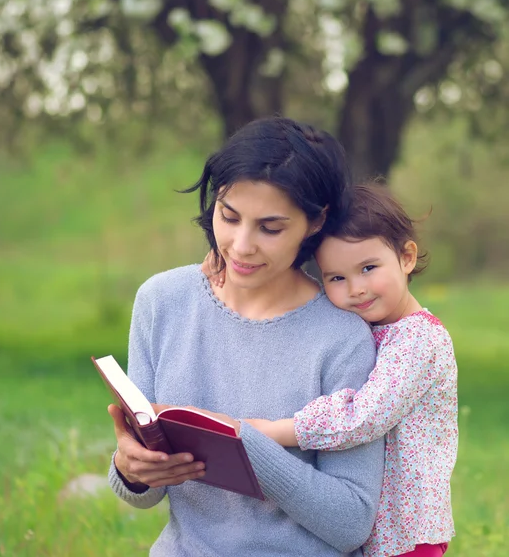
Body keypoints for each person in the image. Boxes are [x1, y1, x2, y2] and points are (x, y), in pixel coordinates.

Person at [107, 117, 385, 557]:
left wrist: (242, 442)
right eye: (229, 216)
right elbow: (144, 493)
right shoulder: (163, 301)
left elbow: (351, 520)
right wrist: (131, 468)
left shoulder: (342, 339)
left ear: (315, 222)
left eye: (270, 228)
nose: (239, 245)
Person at [207, 184, 458, 557]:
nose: (356, 289)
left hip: (406, 530)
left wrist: (276, 431)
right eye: (336, 278)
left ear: (406, 257)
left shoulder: (418, 341)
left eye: (368, 268)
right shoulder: (369, 327)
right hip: (375, 529)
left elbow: (364, 416)